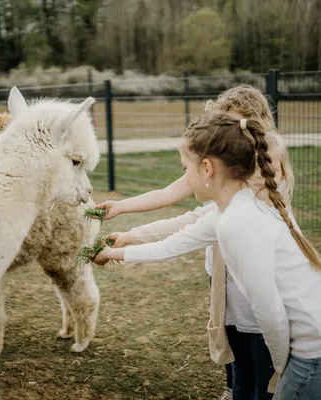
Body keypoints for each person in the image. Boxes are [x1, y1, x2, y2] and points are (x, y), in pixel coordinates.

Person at [95, 113, 321, 399]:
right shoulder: (232, 211)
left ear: (206, 168)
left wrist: (279, 367)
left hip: (309, 351)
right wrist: (115, 252)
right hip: (302, 345)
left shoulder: (238, 221)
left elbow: (270, 312)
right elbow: (172, 245)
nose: (184, 178)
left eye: (184, 168)